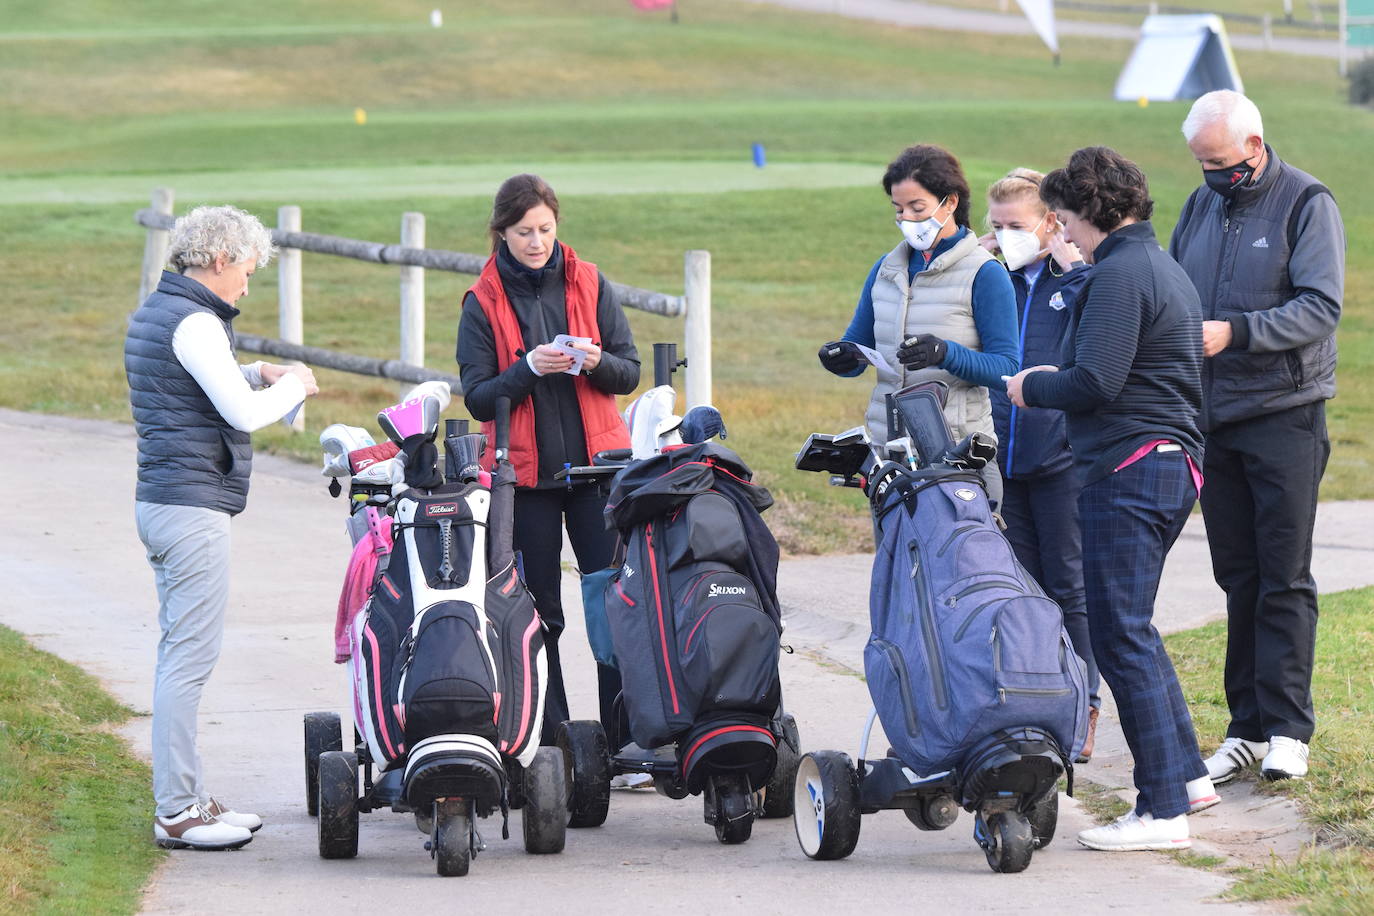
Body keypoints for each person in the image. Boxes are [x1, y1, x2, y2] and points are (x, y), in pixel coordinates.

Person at [1006, 147, 1218, 852]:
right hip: (1164, 464)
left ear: (1089, 212)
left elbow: (1093, 382)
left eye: (1063, 219)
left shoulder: (1121, 276)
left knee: (1119, 634)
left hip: (1129, 467)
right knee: (1134, 630)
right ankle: (1184, 779)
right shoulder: (1156, 266)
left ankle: (1161, 812)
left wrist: (1030, 385)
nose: (1061, 233)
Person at [125, 205, 319, 850]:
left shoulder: (161, 310)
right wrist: (293, 387)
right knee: (187, 661)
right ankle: (177, 812)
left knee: (183, 655)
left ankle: (193, 801)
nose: (246, 284)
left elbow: (190, 386)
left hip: (165, 502)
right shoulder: (198, 322)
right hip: (189, 508)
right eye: (245, 270)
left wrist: (259, 369)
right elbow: (241, 412)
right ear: (217, 261)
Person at [1169, 90, 1345, 784]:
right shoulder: (1202, 203)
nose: (1212, 174)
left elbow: (1321, 307)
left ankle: (1288, 730)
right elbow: (1180, 290)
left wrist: (1237, 332)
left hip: (1285, 413)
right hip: (1215, 418)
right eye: (1201, 163)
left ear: (1253, 144)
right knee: (1237, 575)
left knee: (1284, 576)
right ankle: (1244, 728)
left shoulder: (1307, 202)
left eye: (1220, 161)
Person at [456, 174, 641, 756]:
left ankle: (624, 740)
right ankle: (555, 747)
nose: (536, 242)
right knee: (540, 616)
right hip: (525, 481)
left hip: (596, 473)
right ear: (501, 233)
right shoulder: (482, 300)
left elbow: (630, 372)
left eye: (545, 229)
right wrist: (529, 369)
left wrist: (594, 361)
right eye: (523, 232)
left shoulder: (590, 280)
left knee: (613, 605)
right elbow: (481, 398)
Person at [817, 144, 1019, 507]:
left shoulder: (985, 273)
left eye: (917, 208)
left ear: (950, 203)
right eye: (899, 210)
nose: (907, 219)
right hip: (890, 458)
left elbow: (1007, 369)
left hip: (959, 456)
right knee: (894, 563)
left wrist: (944, 353)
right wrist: (841, 358)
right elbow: (859, 345)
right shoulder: (886, 269)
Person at [980, 168, 1102, 761]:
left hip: (1063, 459)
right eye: (997, 227)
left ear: (1052, 224)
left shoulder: (1074, 280)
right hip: (1005, 461)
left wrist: (1072, 266)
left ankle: (1086, 704)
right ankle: (1037, 700)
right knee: (1022, 590)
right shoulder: (993, 276)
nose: (1006, 237)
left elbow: (1102, 332)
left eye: (1017, 227)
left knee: (1070, 587)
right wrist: (964, 261)